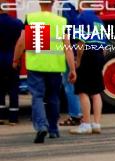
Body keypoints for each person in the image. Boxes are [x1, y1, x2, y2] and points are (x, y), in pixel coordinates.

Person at [13, 0, 76, 143]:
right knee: (53, 97)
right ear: (53, 3)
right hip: (55, 67)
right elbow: (67, 47)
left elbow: (22, 42)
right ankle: (53, 130)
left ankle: (41, 126)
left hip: (36, 66)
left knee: (37, 97)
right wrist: (72, 69)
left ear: (40, 3)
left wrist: (15, 60)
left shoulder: (32, 18)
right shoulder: (60, 21)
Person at [69, 5, 107, 135]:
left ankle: (85, 124)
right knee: (96, 91)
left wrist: (78, 61)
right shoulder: (98, 20)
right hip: (99, 54)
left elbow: (81, 42)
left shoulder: (80, 18)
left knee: (83, 90)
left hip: (87, 54)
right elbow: (104, 45)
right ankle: (96, 124)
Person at [59, 1, 82, 128]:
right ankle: (82, 114)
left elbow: (67, 35)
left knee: (69, 83)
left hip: (70, 49)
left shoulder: (66, 7)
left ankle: (75, 115)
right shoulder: (75, 8)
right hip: (78, 48)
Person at [0, 1, 23, 125]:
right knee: (13, 88)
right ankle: (13, 117)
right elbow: (22, 43)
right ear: (7, 8)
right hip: (13, 58)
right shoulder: (17, 23)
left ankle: (1, 115)